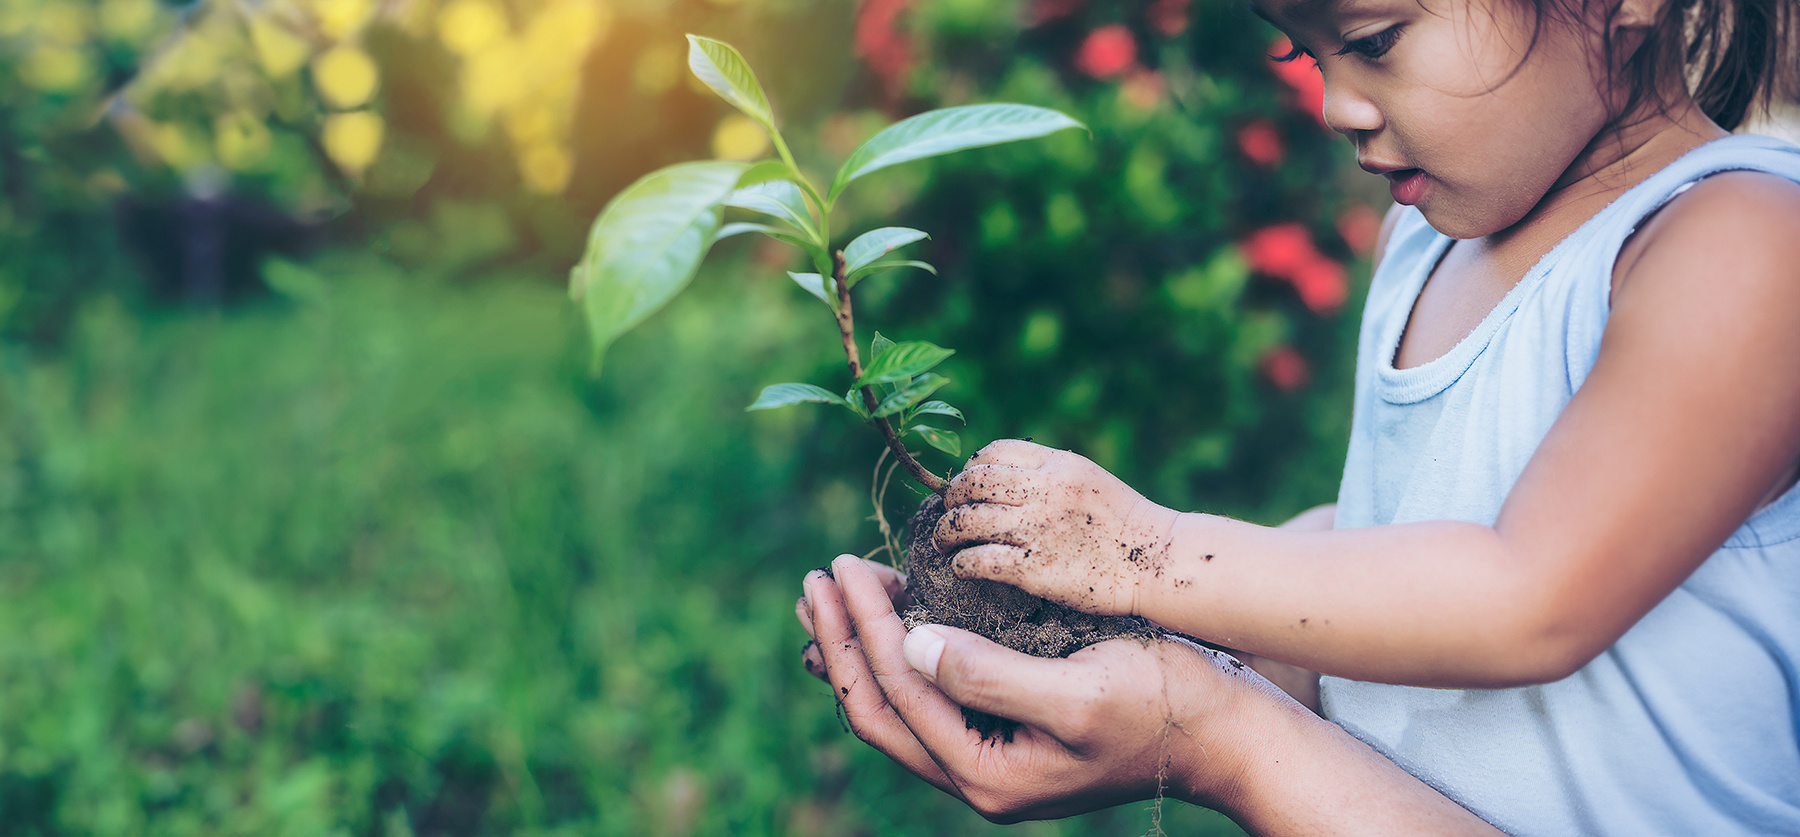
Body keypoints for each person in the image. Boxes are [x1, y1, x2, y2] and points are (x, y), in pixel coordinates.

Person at [797, 0, 1800, 831]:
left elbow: (1526, 598)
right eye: (1302, 50)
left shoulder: (1742, 245)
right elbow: (1382, 550)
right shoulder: (1423, 244)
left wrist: (1152, 560)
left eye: (1372, 41)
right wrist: (1103, 632)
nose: (1334, 104)